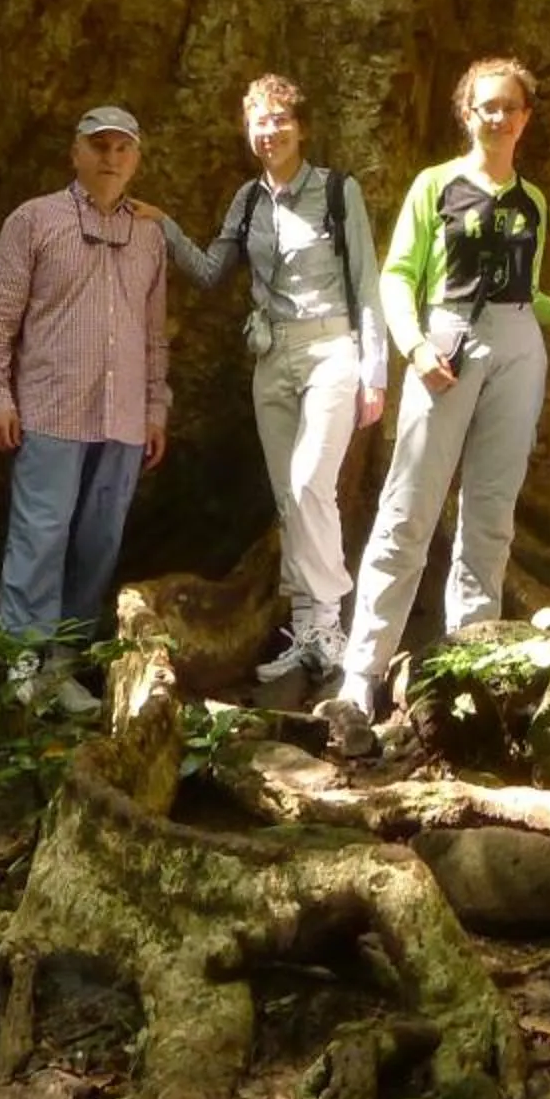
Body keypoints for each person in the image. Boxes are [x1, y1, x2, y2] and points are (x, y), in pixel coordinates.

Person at [319, 59, 550, 744]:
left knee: (491, 511)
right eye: (487, 106)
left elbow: (529, 292)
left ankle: (472, 659)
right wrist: (416, 348)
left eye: (511, 107)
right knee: (409, 505)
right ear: (467, 112)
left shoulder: (535, 201)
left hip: (518, 346)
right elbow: (399, 275)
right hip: (445, 342)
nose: (499, 116)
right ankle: (360, 673)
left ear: (525, 117)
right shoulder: (437, 187)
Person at [157, 75, 387, 682]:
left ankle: (333, 624)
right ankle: (308, 630)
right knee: (290, 497)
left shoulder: (339, 192)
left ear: (301, 127)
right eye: (258, 121)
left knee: (313, 481)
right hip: (272, 359)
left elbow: (367, 283)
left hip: (332, 349)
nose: (269, 132)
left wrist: (375, 371)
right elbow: (210, 271)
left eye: (280, 119)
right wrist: (159, 225)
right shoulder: (248, 201)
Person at [0, 105, 170, 715]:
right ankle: (20, 668)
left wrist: (156, 407)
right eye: (99, 147)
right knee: (39, 537)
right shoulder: (34, 220)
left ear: (136, 159)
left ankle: (64, 669)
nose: (110, 159)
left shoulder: (150, 235)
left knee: (98, 544)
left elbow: (155, 333)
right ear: (75, 153)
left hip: (125, 419)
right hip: (51, 408)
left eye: (122, 149)